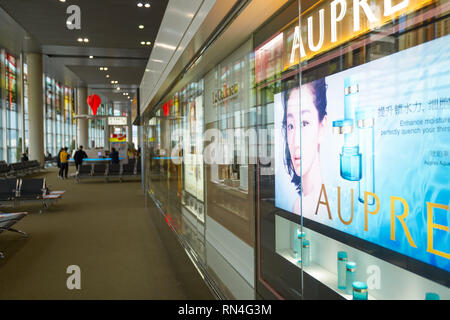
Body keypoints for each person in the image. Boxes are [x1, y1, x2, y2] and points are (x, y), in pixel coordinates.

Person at [282, 78, 328, 218]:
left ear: (322, 127)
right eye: (290, 126)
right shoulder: (299, 205)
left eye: (305, 123)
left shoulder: (325, 211)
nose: (295, 141)